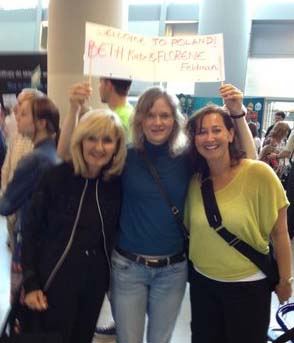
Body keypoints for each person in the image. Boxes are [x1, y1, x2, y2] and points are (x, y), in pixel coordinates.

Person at [57, 82, 256, 343]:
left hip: (172, 271)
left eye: (165, 115)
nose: (157, 122)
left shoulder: (187, 157)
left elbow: (249, 163)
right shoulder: (123, 156)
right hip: (127, 269)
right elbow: (64, 160)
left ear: (175, 120)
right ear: (140, 119)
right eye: (150, 115)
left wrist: (238, 114)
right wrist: (73, 110)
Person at [185, 104, 292, 343]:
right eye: (202, 132)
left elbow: (280, 232)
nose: (209, 137)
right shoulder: (195, 182)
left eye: (217, 130)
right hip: (203, 287)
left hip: (249, 289)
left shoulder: (259, 174)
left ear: (231, 134)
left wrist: (286, 280)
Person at [21, 109, 126, 343]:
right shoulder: (57, 177)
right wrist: (30, 283)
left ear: (117, 147)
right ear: (80, 140)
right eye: (91, 138)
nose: (98, 147)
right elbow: (30, 230)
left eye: (107, 140)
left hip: (93, 285)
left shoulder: (115, 185)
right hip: (53, 280)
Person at [0, 96, 60, 299]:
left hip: (28, 242)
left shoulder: (33, 160)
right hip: (49, 244)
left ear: (42, 123)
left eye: (24, 114)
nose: (17, 117)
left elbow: (6, 205)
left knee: (20, 303)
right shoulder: (54, 153)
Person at [1, 89, 42, 251]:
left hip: (24, 216)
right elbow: (6, 168)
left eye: (22, 107)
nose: (15, 109)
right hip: (11, 208)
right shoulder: (17, 134)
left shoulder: (41, 147)